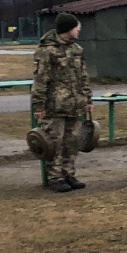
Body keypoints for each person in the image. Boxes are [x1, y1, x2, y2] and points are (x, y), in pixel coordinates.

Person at [32, 12, 92, 192]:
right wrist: (39, 105)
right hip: (55, 106)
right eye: (76, 28)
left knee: (72, 141)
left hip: (75, 104)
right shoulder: (46, 51)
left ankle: (69, 174)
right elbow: (41, 80)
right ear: (68, 29)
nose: (79, 30)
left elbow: (83, 77)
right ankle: (55, 177)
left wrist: (87, 99)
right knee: (54, 142)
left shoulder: (77, 50)